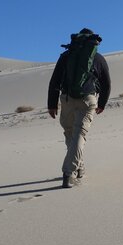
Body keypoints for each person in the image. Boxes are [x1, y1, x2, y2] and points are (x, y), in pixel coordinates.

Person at [48, 28, 111, 188]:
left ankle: (79, 167)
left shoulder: (66, 56)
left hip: (67, 99)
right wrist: (102, 103)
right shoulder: (98, 58)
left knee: (70, 134)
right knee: (79, 135)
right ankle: (69, 173)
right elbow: (106, 83)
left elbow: (54, 80)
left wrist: (52, 104)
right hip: (87, 99)